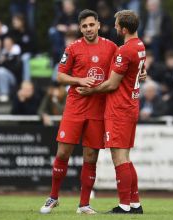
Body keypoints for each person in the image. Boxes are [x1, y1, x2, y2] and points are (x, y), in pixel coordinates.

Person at [40, 9, 118, 214]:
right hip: (75, 107)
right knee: (63, 152)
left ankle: (84, 204)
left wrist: (141, 72)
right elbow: (60, 76)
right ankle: (53, 197)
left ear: (99, 25)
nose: (88, 29)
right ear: (80, 28)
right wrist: (80, 80)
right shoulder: (73, 48)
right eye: (84, 26)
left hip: (98, 109)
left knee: (90, 156)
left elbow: (122, 68)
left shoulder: (111, 47)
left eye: (91, 25)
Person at [76, 9, 145, 214]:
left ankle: (124, 205)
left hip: (119, 108)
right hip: (130, 106)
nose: (114, 27)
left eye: (116, 25)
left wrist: (91, 90)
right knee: (126, 157)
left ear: (123, 29)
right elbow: (137, 72)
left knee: (120, 158)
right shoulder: (140, 45)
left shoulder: (125, 50)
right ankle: (135, 203)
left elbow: (112, 84)